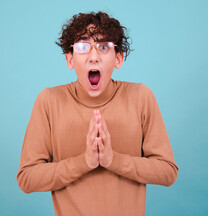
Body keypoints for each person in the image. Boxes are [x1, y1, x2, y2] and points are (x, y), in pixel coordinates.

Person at [16, 11, 178, 216]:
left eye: (104, 47)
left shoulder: (140, 96)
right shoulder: (49, 101)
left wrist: (113, 160)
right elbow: (27, 178)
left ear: (118, 58)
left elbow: (168, 171)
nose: (93, 57)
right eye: (83, 47)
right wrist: (84, 162)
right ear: (69, 59)